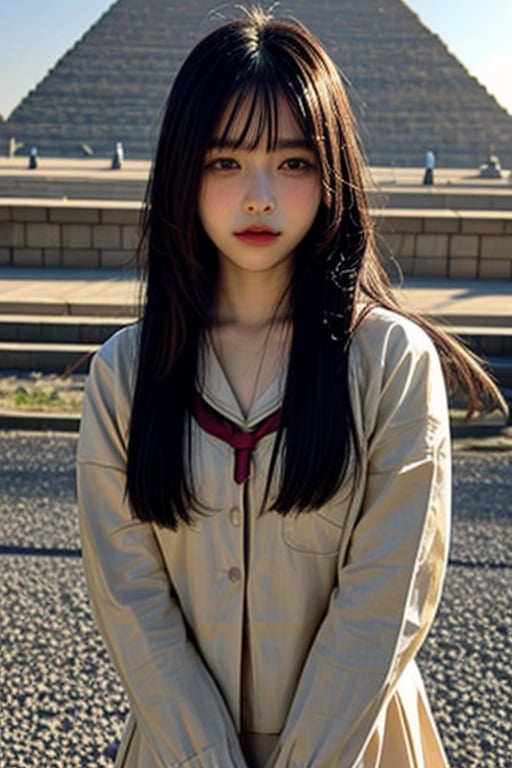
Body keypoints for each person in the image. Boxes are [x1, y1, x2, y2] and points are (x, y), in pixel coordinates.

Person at [77, 8, 505, 768]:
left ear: (332, 169)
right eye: (225, 161)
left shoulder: (390, 360)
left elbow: (386, 604)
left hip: (359, 747)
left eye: (295, 162)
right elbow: (132, 604)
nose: (260, 196)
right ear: (182, 169)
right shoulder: (124, 374)